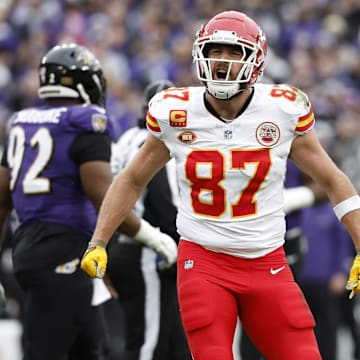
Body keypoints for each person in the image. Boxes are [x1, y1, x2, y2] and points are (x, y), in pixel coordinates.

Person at [81, 11, 360, 360]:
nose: (223, 61)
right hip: (204, 261)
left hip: (266, 262)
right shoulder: (175, 112)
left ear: (254, 60)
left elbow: (333, 180)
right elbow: (132, 179)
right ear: (202, 54)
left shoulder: (281, 109)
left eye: (234, 52)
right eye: (216, 51)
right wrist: (99, 241)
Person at [0, 43, 177, 360]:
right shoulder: (87, 120)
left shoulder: (21, 121)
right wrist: (155, 238)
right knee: (45, 352)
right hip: (64, 250)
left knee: (95, 349)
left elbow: (1, 202)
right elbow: (108, 200)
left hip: (31, 248)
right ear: (84, 82)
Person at [106, 79, 191, 360]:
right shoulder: (154, 143)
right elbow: (163, 204)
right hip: (144, 248)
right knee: (148, 346)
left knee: (168, 341)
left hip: (120, 246)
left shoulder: (127, 138)